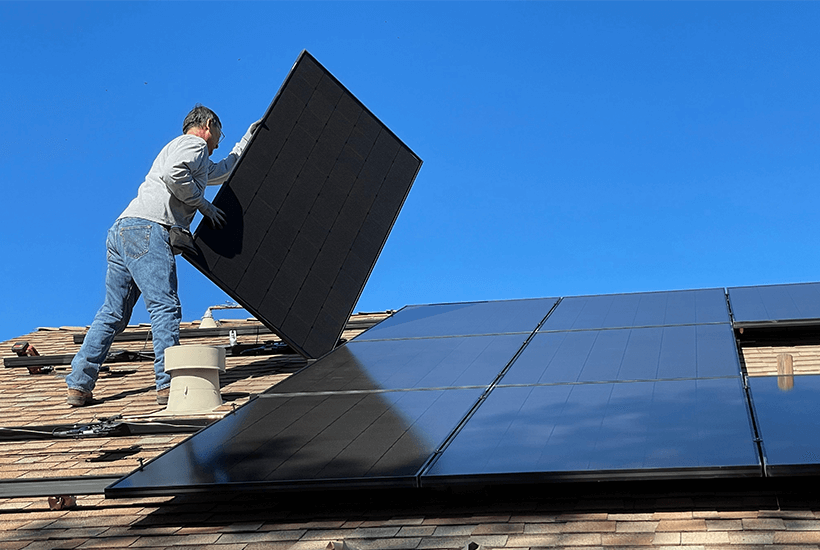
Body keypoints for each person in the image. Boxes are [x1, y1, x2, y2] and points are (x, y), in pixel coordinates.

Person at [66, 105, 259, 406]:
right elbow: (174, 175)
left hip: (122, 230)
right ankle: (168, 385)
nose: (220, 139)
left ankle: (79, 383)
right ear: (209, 124)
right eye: (220, 132)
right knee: (164, 306)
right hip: (148, 229)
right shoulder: (194, 145)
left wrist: (247, 139)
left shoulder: (184, 150)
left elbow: (221, 172)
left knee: (113, 313)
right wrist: (204, 206)